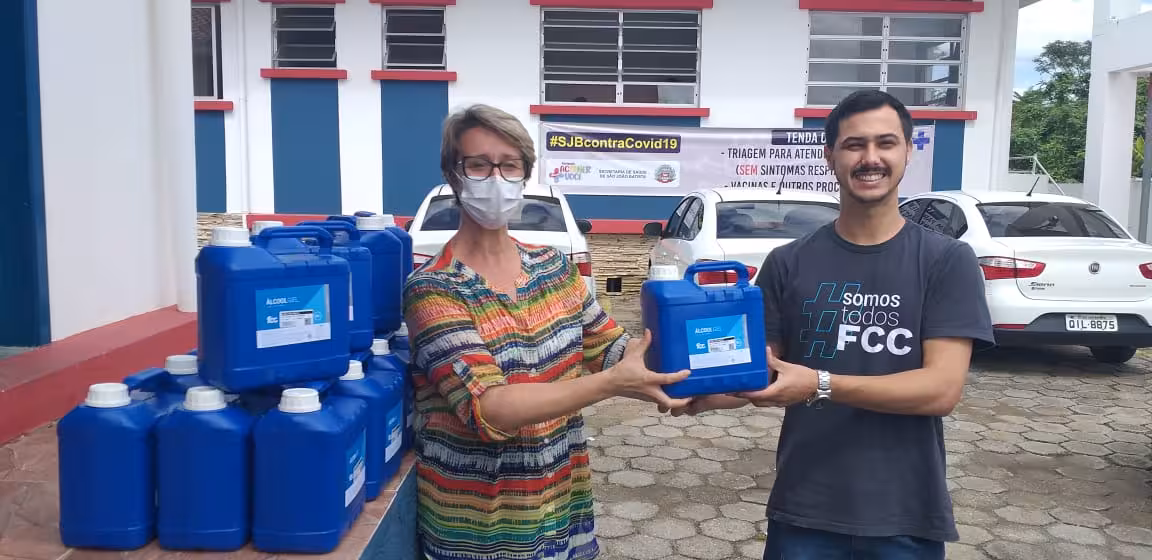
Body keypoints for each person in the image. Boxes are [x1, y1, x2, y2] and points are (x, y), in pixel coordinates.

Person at [672, 90, 994, 558]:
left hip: (905, 514)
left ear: (908, 151)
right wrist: (693, 391)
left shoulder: (946, 260)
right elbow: (762, 371)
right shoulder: (788, 262)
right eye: (854, 145)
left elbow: (940, 390)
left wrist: (819, 384)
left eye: (886, 143)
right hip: (805, 508)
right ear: (830, 156)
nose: (870, 158)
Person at [402, 103, 692, 560]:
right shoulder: (434, 288)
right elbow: (490, 408)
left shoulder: (553, 267)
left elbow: (611, 349)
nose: (496, 178)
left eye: (509, 165)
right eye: (478, 165)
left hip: (559, 507)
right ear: (453, 175)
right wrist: (612, 384)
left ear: (525, 174)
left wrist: (709, 372)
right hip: (479, 528)